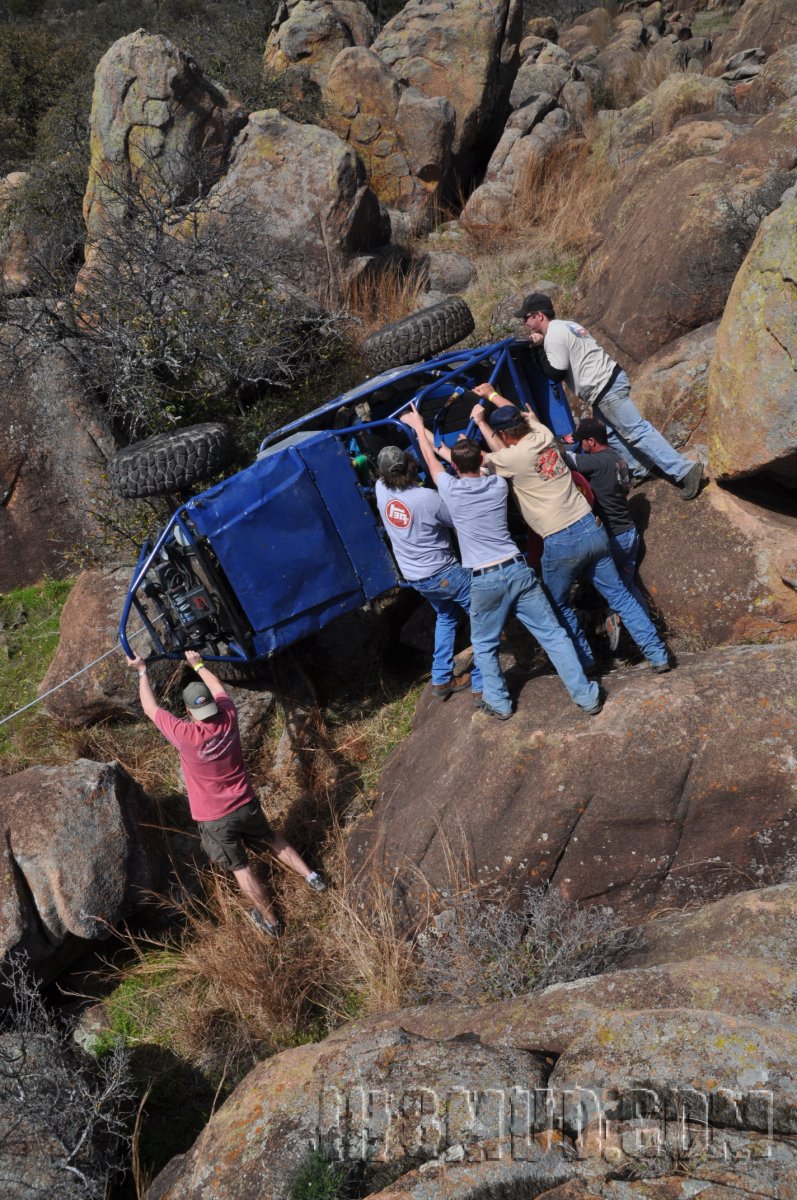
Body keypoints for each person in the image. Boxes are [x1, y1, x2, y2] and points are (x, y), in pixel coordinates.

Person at [400, 404, 603, 719]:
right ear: (480, 462)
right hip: (517, 568)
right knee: (552, 634)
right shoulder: (496, 484)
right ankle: (586, 696)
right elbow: (479, 455)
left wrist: (418, 428)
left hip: (485, 579)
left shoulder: (450, 490)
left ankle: (499, 703)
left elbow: (432, 458)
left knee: (484, 644)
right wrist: (480, 423)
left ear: (455, 466)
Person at [468, 387, 671, 676]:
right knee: (620, 596)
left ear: (504, 436)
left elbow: (471, 462)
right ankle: (658, 654)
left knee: (556, 603)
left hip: (560, 539)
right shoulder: (543, 434)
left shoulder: (511, 460)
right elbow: (519, 415)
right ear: (523, 423)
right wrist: (491, 395)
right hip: (592, 528)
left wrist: (478, 423)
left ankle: (587, 663)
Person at [125, 648, 325, 937]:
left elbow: (150, 709)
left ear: (190, 712)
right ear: (212, 707)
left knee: (241, 868)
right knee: (272, 839)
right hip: (246, 802)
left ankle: (272, 922)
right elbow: (219, 688)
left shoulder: (186, 735)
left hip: (216, 817)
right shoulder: (228, 715)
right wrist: (199, 664)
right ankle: (312, 877)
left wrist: (143, 671)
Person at [514, 292, 704, 500]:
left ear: (539, 315)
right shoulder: (566, 324)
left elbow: (555, 373)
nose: (525, 322)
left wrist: (537, 348)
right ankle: (640, 469)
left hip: (603, 387)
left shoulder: (553, 335)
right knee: (610, 434)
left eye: (527, 317)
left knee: (637, 432)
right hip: (606, 383)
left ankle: (685, 471)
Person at [375, 444, 481, 701]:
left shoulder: (381, 490)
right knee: (482, 614)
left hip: (416, 577)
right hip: (444, 571)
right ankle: (483, 684)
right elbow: (458, 519)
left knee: (446, 617)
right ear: (410, 465)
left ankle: (442, 677)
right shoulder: (427, 498)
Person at [563, 416, 647, 610]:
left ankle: (615, 624)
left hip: (615, 538)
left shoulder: (596, 462)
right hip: (629, 532)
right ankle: (646, 625)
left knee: (608, 590)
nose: (580, 445)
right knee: (627, 587)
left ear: (591, 441)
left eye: (581, 441)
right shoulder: (618, 457)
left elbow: (563, 457)